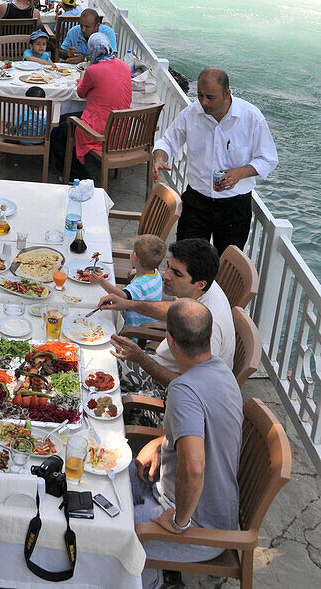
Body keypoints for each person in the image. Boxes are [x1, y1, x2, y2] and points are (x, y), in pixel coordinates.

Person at [131, 299, 243, 588]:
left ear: (170, 339)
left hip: (200, 529)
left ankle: (149, 579)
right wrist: (160, 442)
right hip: (186, 499)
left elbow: (194, 467)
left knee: (102, 531)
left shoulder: (184, 389)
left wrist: (180, 523)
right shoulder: (222, 373)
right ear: (208, 336)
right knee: (108, 473)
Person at [152, 67, 278, 254]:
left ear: (227, 93)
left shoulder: (251, 117)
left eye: (210, 97)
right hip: (196, 201)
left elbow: (268, 159)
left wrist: (240, 173)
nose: (203, 102)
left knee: (226, 264)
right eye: (200, 95)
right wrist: (159, 158)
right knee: (185, 258)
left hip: (234, 206)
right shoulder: (191, 113)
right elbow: (167, 141)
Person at [101, 238, 235, 400]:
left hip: (172, 391)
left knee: (105, 397)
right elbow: (173, 310)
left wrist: (142, 359)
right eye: (168, 267)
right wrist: (128, 304)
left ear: (199, 284)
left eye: (177, 273)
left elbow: (193, 388)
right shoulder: (204, 286)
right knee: (100, 355)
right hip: (159, 363)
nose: (165, 276)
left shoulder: (209, 331)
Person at [53, 31, 132, 180]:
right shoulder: (124, 66)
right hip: (121, 128)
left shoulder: (93, 70)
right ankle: (68, 168)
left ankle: (76, 175)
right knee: (62, 121)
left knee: (56, 132)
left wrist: (83, 77)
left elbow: (81, 93)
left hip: (101, 129)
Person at [90, 234, 166, 326]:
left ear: (134, 256)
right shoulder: (156, 274)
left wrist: (101, 281)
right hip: (148, 324)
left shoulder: (140, 285)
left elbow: (122, 297)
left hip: (134, 332)